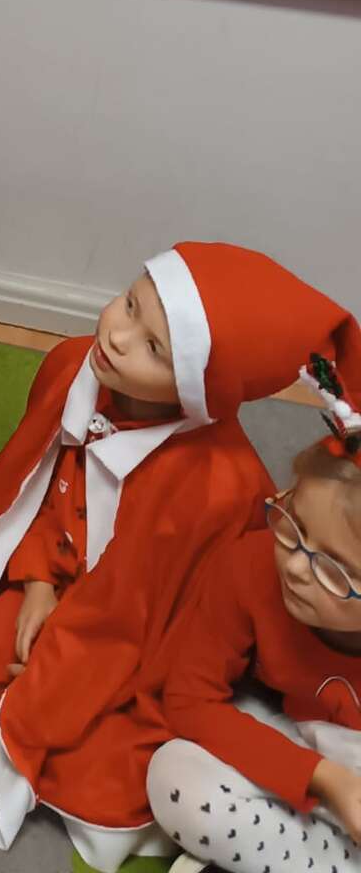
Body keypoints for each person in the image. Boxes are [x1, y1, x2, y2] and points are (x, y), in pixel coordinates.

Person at [0, 243, 358, 870]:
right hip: (67, 577)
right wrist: (38, 579)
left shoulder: (209, 483)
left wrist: (55, 674)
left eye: (154, 348)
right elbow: (39, 486)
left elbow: (134, 616)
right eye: (128, 304)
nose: (117, 337)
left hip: (129, 630)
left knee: (98, 773)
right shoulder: (72, 368)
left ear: (198, 387)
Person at [148, 341, 361, 873]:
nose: (296, 566)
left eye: (336, 570)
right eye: (294, 523)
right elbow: (190, 698)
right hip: (304, 749)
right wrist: (328, 781)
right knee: (174, 776)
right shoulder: (250, 565)